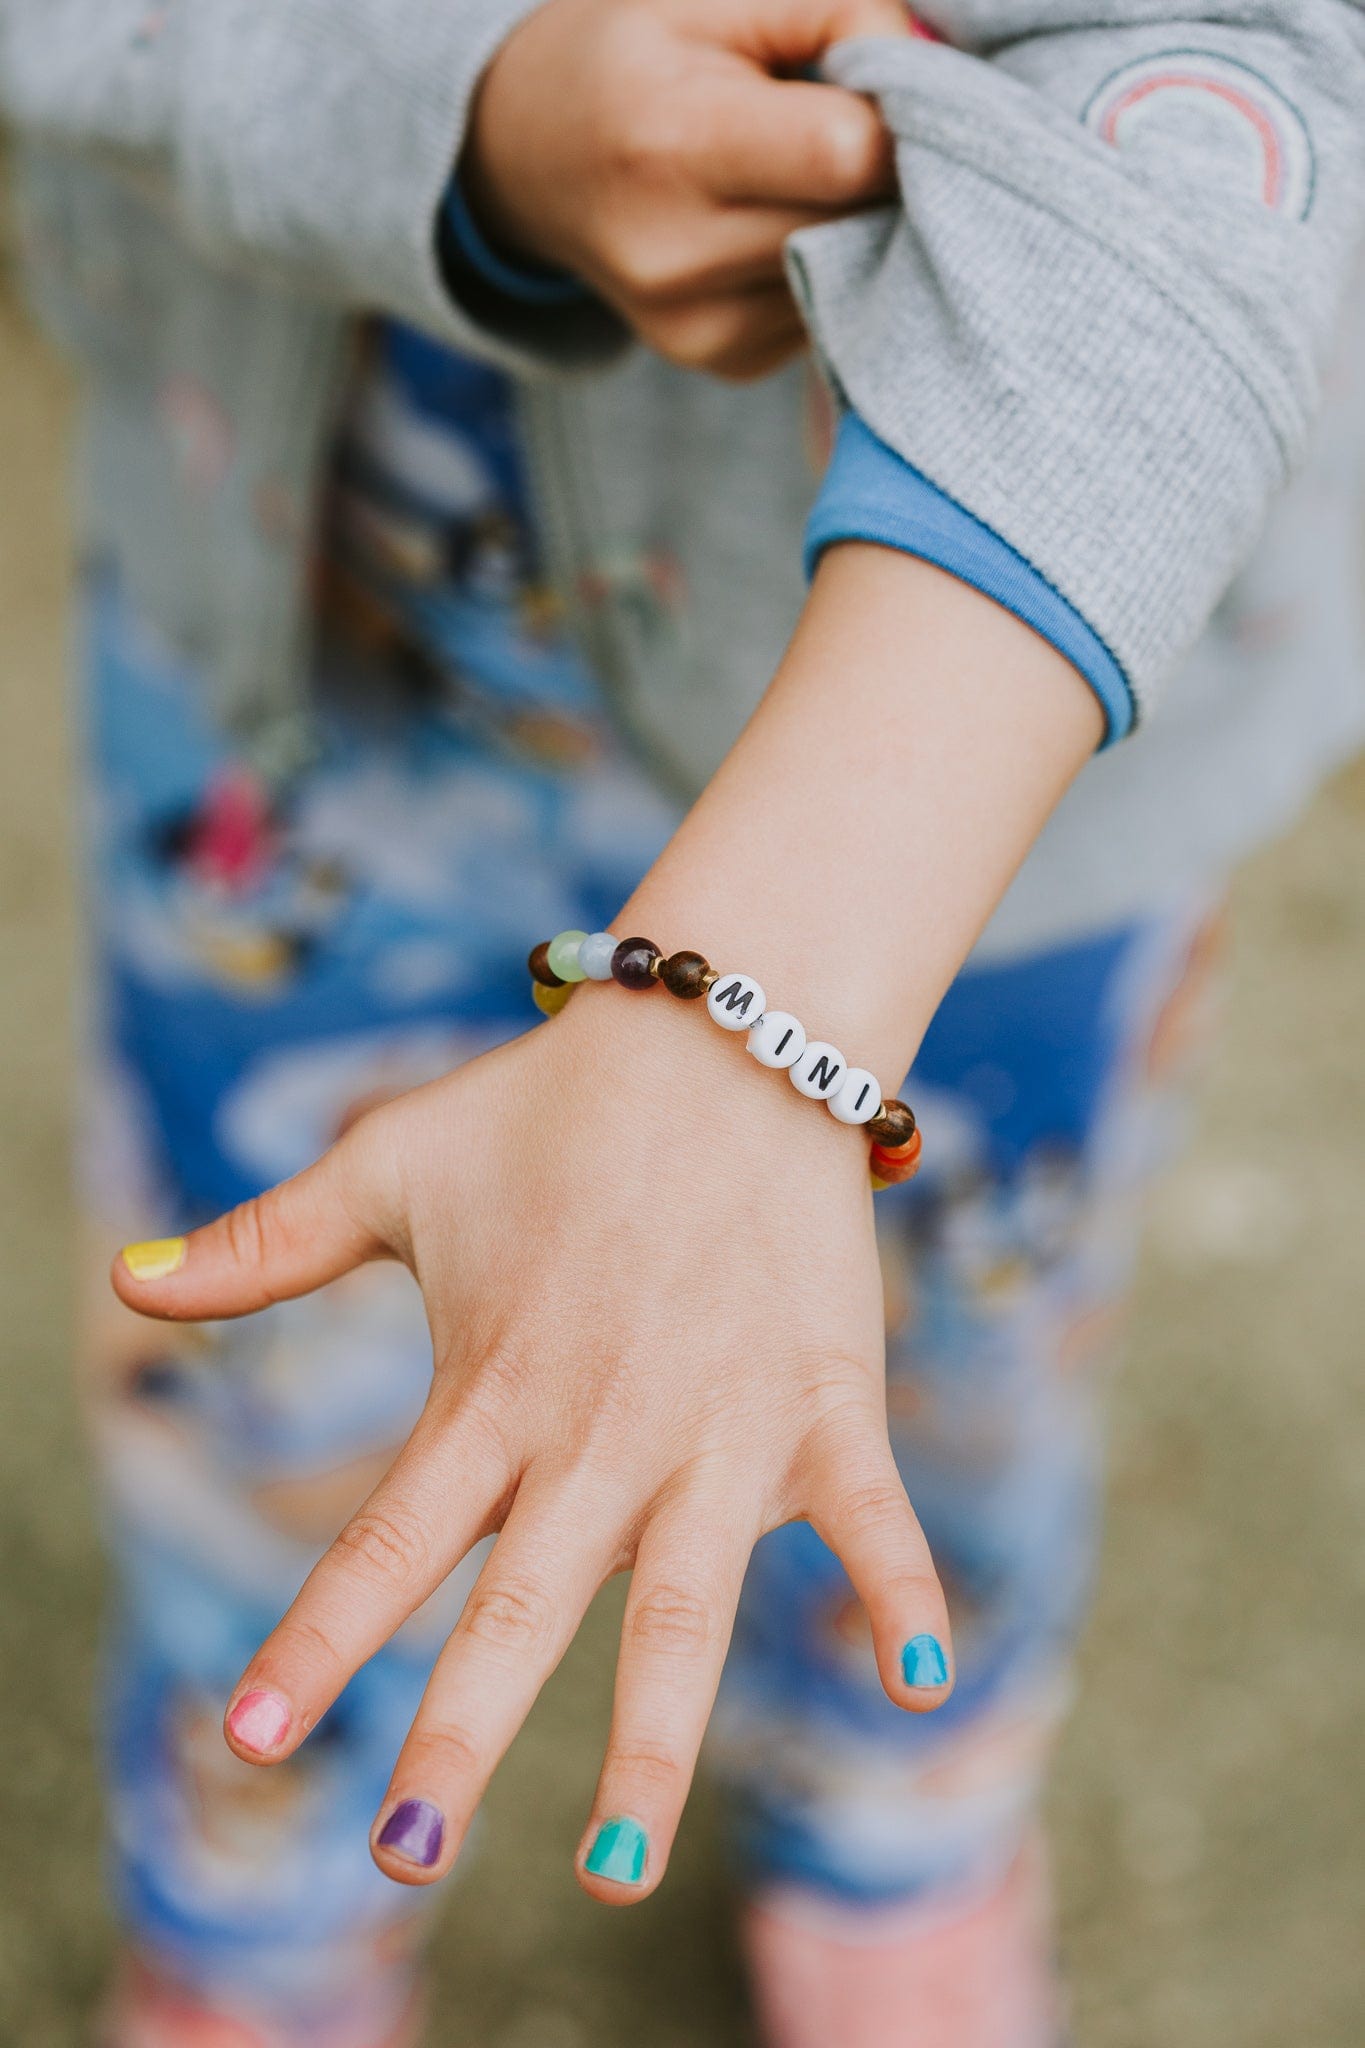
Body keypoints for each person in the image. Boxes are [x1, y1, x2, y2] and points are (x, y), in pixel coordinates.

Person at [5, 0, 1365, 2043]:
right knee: (261, 1354)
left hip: (1006, 768)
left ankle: (893, 1812)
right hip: (295, 644)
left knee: (947, 1370)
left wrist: (745, 1022)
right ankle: (255, 1876)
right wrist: (441, 104)